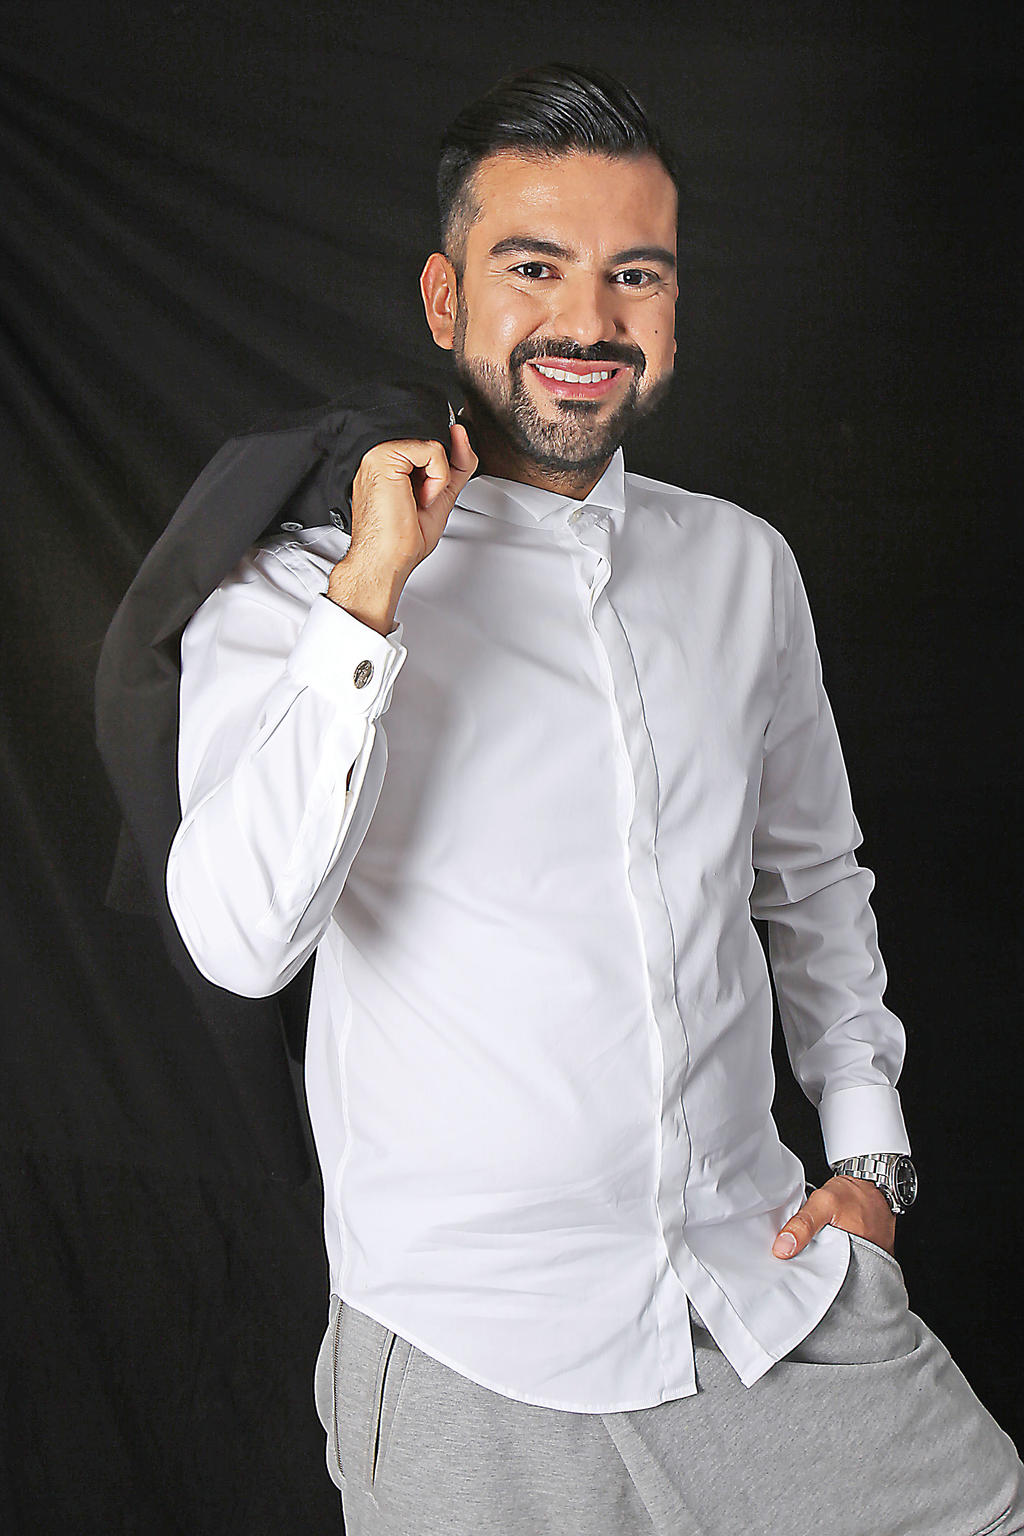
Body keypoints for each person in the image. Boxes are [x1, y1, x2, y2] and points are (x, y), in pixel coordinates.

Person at [164, 62, 1023, 1536]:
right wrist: (368, 602)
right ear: (444, 298)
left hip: (763, 1295)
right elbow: (241, 943)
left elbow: (814, 880)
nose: (589, 320)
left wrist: (869, 1157)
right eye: (534, 267)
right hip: (472, 1354)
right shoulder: (302, 589)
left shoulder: (743, 567)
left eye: (636, 274)